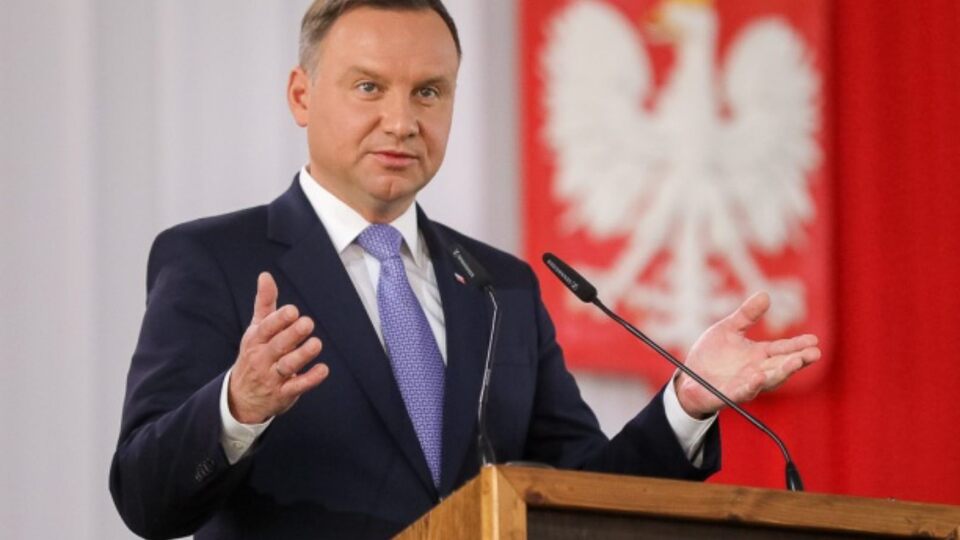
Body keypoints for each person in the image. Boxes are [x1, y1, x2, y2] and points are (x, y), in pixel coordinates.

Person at [109, 1, 821, 538]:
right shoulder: (216, 261)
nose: (402, 121)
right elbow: (145, 498)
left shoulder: (499, 286)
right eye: (369, 88)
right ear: (302, 95)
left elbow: (585, 492)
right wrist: (237, 407)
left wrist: (685, 403)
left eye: (428, 92)